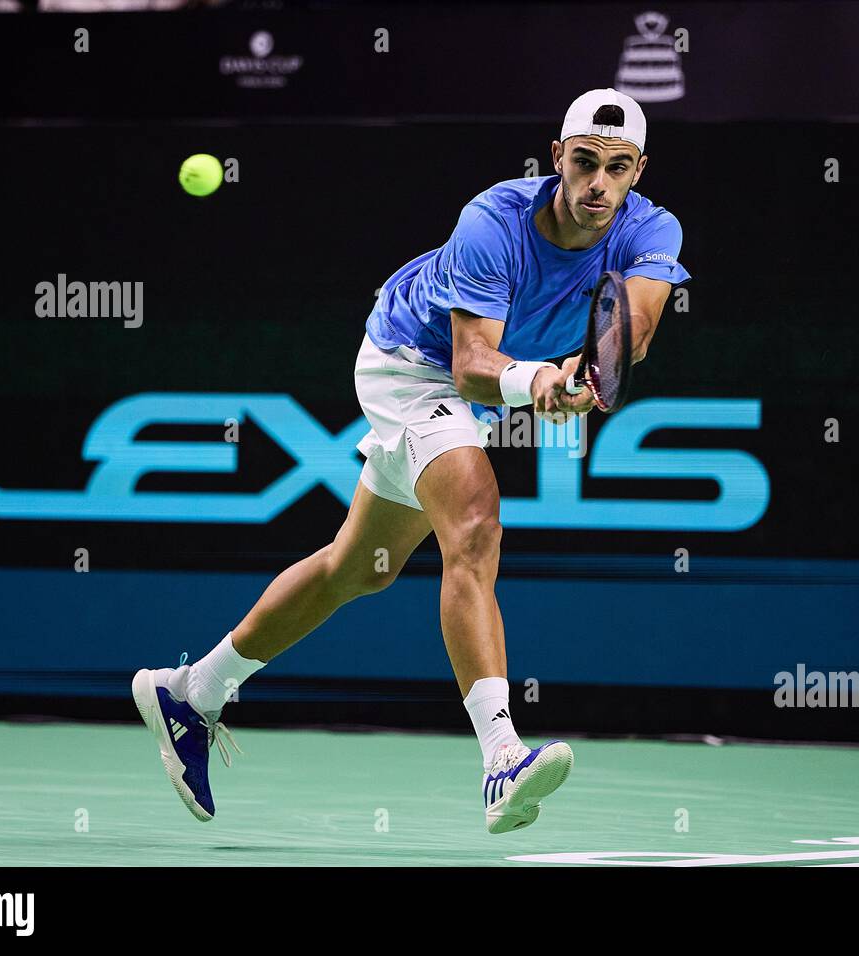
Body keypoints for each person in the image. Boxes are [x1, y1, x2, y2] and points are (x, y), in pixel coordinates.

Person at [133, 87, 691, 834]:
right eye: (584, 162)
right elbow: (467, 365)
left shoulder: (651, 229)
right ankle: (501, 758)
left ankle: (193, 692)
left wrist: (591, 372)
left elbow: (635, 326)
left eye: (617, 168)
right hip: (411, 361)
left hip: (481, 390)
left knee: (358, 569)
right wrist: (540, 381)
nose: (598, 184)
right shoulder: (494, 220)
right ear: (556, 156)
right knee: (475, 523)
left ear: (638, 170)